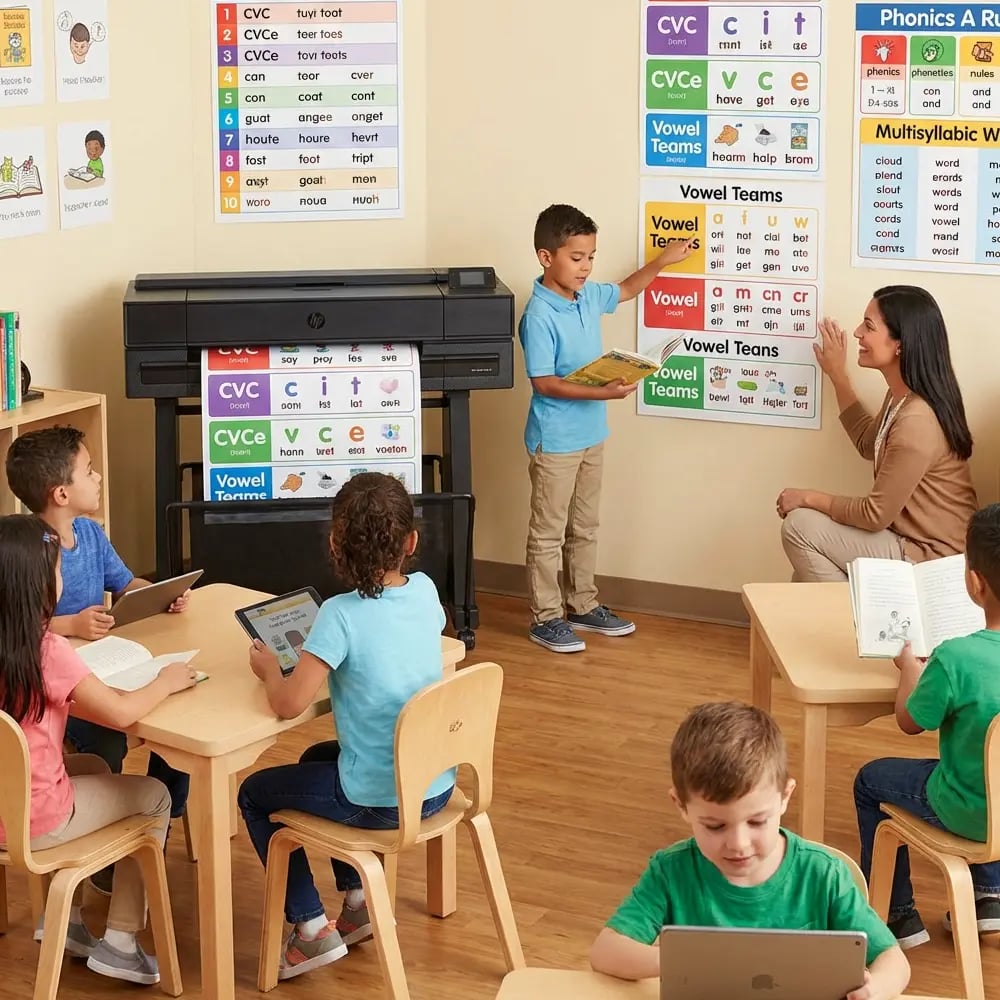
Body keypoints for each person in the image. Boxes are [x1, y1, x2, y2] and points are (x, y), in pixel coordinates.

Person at [238, 472, 454, 981]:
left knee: (253, 794)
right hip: (434, 783)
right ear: (411, 542)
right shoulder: (425, 590)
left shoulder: (338, 616)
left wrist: (269, 669)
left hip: (381, 800)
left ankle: (311, 928)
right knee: (317, 758)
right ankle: (358, 905)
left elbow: (289, 704)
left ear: (335, 543)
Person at [590, 702, 909, 999]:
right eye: (715, 826)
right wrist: (686, 961)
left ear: (785, 797)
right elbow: (606, 952)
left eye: (757, 821)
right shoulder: (671, 872)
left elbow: (893, 960)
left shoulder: (823, 874)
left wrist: (875, 990)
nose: (739, 844)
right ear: (681, 805)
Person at [0, 515, 198, 983]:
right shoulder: (47, 651)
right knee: (155, 796)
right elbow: (122, 714)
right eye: (56, 569)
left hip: (7, 805)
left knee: (90, 763)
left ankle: (67, 921)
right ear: (39, 584)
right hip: (37, 821)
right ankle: (121, 943)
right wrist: (165, 681)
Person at [4, 426, 193, 866]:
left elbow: (127, 584)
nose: (99, 477)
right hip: (70, 700)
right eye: (89, 471)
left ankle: (105, 853)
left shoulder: (76, 538)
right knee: (117, 745)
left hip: (86, 681)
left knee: (113, 758)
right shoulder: (35, 566)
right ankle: (116, 878)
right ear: (60, 493)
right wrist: (71, 624)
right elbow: (120, 712)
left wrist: (163, 593)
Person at [520, 203, 694, 652]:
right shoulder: (538, 316)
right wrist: (606, 393)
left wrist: (662, 261)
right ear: (546, 257)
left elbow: (628, 288)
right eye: (577, 258)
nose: (586, 267)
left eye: (591, 257)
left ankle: (582, 603)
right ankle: (546, 617)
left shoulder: (587, 296)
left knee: (586, 526)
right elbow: (544, 383)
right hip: (555, 441)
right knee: (548, 532)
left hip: (591, 436)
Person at [854, 503, 1000, 949]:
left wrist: (909, 670)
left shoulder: (956, 657)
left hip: (969, 811)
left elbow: (910, 722)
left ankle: (898, 916)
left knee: (870, 780)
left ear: (974, 582)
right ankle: (989, 897)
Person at [777, 285, 976, 582]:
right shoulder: (902, 396)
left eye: (868, 326)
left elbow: (875, 515)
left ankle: (849, 612)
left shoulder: (917, 420)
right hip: (909, 541)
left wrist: (807, 498)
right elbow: (868, 443)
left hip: (932, 557)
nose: (857, 333)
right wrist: (837, 375)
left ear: (900, 344)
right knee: (803, 575)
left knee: (799, 527)